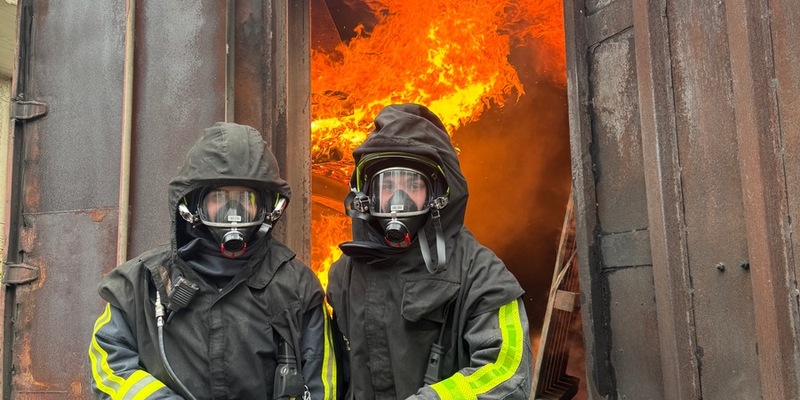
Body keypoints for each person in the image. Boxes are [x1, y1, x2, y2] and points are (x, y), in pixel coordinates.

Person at [88, 122, 338, 400]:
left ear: (267, 207)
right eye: (219, 198)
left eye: (246, 199)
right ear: (193, 206)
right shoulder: (140, 283)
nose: (233, 211)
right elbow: (109, 366)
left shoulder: (298, 287)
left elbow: (322, 384)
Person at [327, 103, 532, 399]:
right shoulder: (345, 275)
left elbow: (506, 373)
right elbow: (333, 375)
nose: (398, 199)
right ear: (367, 195)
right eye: (387, 186)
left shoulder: (482, 275)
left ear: (437, 195)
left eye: (412, 185)